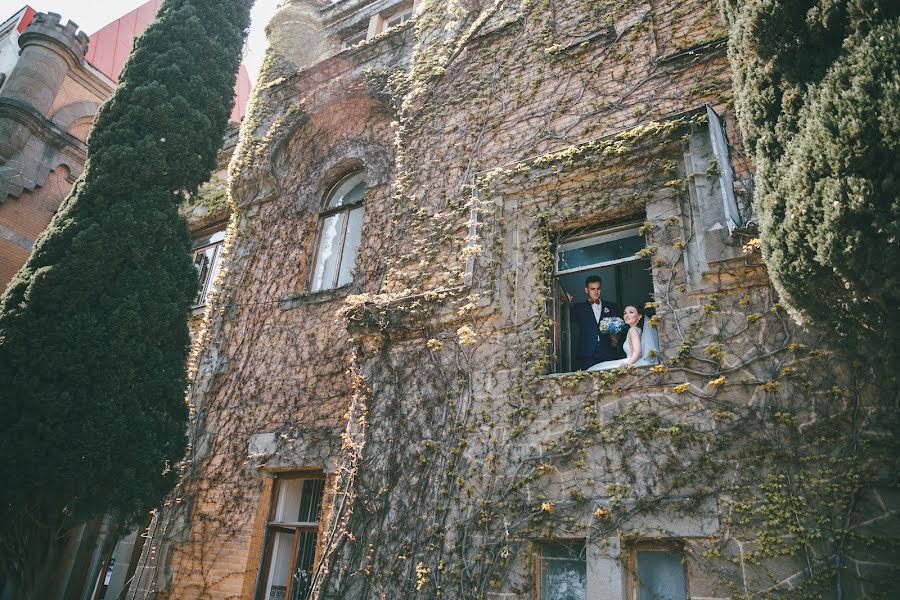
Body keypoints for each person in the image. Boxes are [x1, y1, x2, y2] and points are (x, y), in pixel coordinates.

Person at [570, 275, 622, 370]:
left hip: (608, 352)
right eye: (592, 289)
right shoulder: (578, 308)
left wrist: (615, 338)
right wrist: (565, 301)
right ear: (586, 290)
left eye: (598, 288)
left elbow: (620, 329)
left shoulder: (612, 306)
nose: (596, 292)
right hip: (587, 354)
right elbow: (565, 320)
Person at [587, 305, 656, 371]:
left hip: (632, 361)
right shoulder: (638, 330)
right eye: (625, 313)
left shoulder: (633, 330)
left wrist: (628, 364)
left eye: (631, 312)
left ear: (639, 316)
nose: (627, 315)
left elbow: (638, 352)